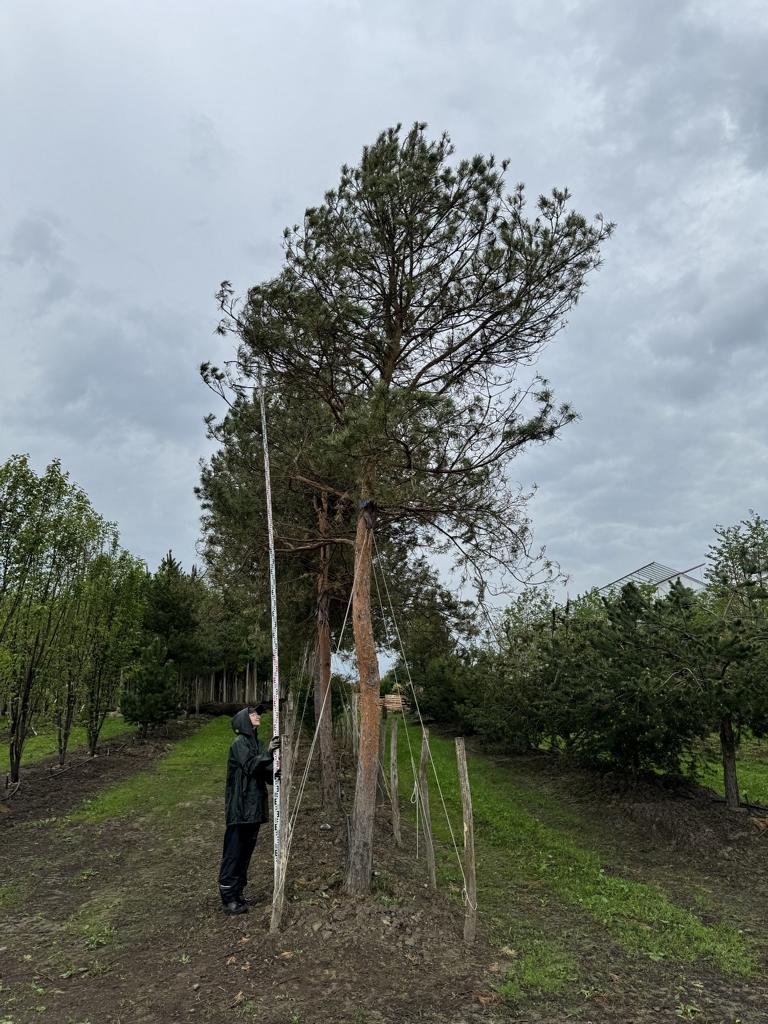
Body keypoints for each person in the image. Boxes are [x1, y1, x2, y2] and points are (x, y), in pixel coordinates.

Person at [218, 703, 280, 915]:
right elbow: (250, 766)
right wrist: (268, 753)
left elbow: (262, 772)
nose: (257, 716)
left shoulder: (257, 743)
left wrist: (276, 769)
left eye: (258, 713)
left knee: (245, 853)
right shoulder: (239, 743)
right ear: (244, 720)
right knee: (234, 853)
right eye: (253, 714)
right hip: (240, 807)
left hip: (254, 809)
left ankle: (238, 892)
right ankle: (228, 897)